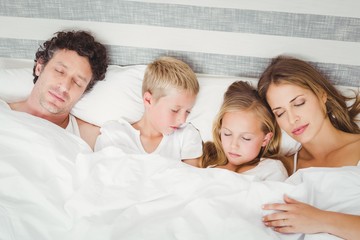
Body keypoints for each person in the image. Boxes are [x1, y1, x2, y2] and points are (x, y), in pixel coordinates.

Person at [257, 55, 360, 239]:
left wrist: (320, 220)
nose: (291, 119)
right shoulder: (284, 167)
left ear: (321, 95)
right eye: (280, 113)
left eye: (299, 103)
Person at [0, 30, 108, 149]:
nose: (65, 87)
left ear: (84, 92)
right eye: (59, 71)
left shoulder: (86, 136)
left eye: (77, 82)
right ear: (39, 68)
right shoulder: (3, 112)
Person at [95, 56, 203, 166]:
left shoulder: (186, 136)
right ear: (148, 100)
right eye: (175, 110)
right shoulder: (114, 135)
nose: (182, 120)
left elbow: (192, 178)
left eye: (188, 111)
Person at [199, 81, 288, 181]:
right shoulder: (205, 161)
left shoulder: (271, 169)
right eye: (227, 134)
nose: (233, 145)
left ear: (265, 139)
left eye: (246, 138)